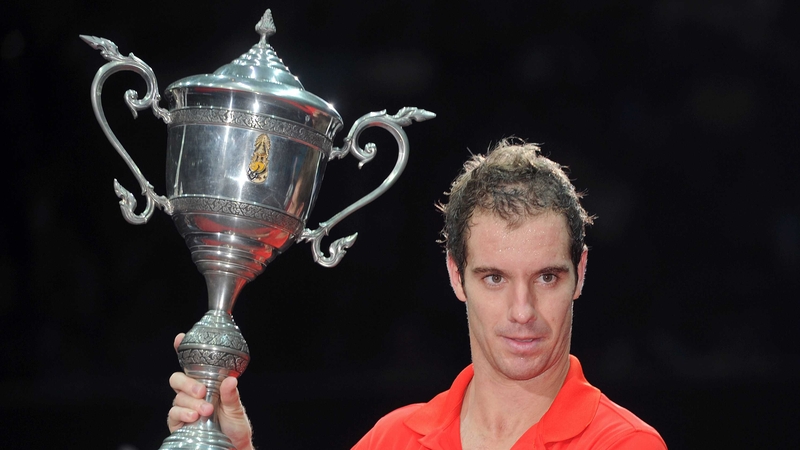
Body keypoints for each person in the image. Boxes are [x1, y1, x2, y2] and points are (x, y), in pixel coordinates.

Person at [167, 139, 667, 449]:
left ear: (579, 274)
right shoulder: (394, 439)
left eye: (546, 278)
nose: (523, 312)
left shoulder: (623, 444)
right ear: (456, 276)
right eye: (495, 278)